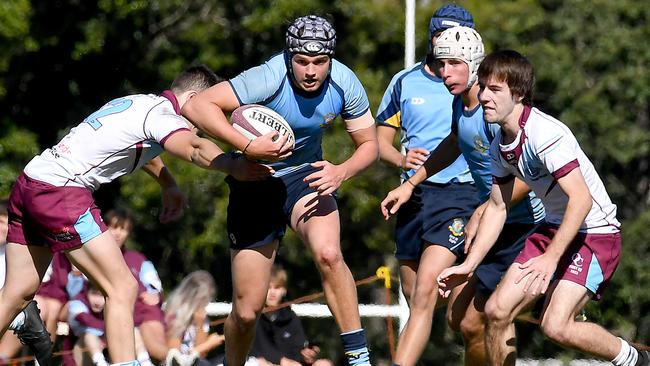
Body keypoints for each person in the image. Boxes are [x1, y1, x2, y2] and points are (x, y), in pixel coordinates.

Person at [2, 65, 272, 366]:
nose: (210, 122)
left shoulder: (139, 103)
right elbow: (194, 148)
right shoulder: (163, 117)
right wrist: (236, 161)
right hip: (61, 191)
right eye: (211, 109)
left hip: (30, 180)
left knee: (17, 292)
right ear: (195, 98)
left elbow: (137, 148)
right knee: (123, 287)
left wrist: (168, 184)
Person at [182, 15, 378, 366]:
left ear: (331, 60)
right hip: (256, 181)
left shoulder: (345, 82)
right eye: (302, 61)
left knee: (330, 254)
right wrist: (246, 146)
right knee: (246, 311)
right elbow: (196, 106)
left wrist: (342, 171)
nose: (311, 71)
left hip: (306, 176)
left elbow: (369, 145)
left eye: (320, 62)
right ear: (289, 57)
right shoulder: (268, 76)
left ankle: (358, 356)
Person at [436, 49, 650, 366]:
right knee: (496, 311)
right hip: (554, 228)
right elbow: (496, 208)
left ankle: (636, 359)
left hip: (595, 234)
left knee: (555, 326)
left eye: (495, 90)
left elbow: (581, 200)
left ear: (519, 94)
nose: (483, 97)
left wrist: (551, 258)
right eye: (482, 87)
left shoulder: (546, 135)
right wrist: (469, 265)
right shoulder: (499, 145)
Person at [380, 26, 545, 366]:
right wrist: (410, 184)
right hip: (495, 224)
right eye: (441, 64)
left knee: (490, 317)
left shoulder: (495, 113)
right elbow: (455, 142)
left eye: (455, 63)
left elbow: (531, 178)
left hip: (525, 227)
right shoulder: (462, 103)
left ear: (474, 63)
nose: (445, 72)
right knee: (460, 319)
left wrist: (485, 207)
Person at [376, 4, 476, 303]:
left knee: (437, 293)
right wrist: (400, 159)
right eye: (440, 34)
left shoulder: (475, 87)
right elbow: (380, 142)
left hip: (460, 193)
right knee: (413, 294)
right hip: (414, 194)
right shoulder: (404, 81)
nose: (445, 41)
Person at [249, 265, 333, 366]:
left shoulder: (291, 318)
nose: (272, 293)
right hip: (261, 363)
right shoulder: (252, 317)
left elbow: (297, 350)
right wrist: (282, 361)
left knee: (324, 364)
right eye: (268, 287)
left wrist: (306, 356)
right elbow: (253, 350)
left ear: (284, 290)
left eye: (277, 287)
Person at [63, 283, 154, 366]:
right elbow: (86, 320)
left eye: (101, 295)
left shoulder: (112, 305)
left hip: (110, 353)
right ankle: (100, 363)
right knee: (89, 335)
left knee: (132, 330)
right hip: (80, 356)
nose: (97, 301)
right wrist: (112, 329)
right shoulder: (77, 304)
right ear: (87, 291)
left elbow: (133, 320)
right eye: (94, 294)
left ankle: (145, 361)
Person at [164, 270, 225, 366]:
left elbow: (200, 356)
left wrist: (200, 325)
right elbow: (174, 357)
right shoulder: (175, 314)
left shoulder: (201, 317)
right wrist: (209, 344)